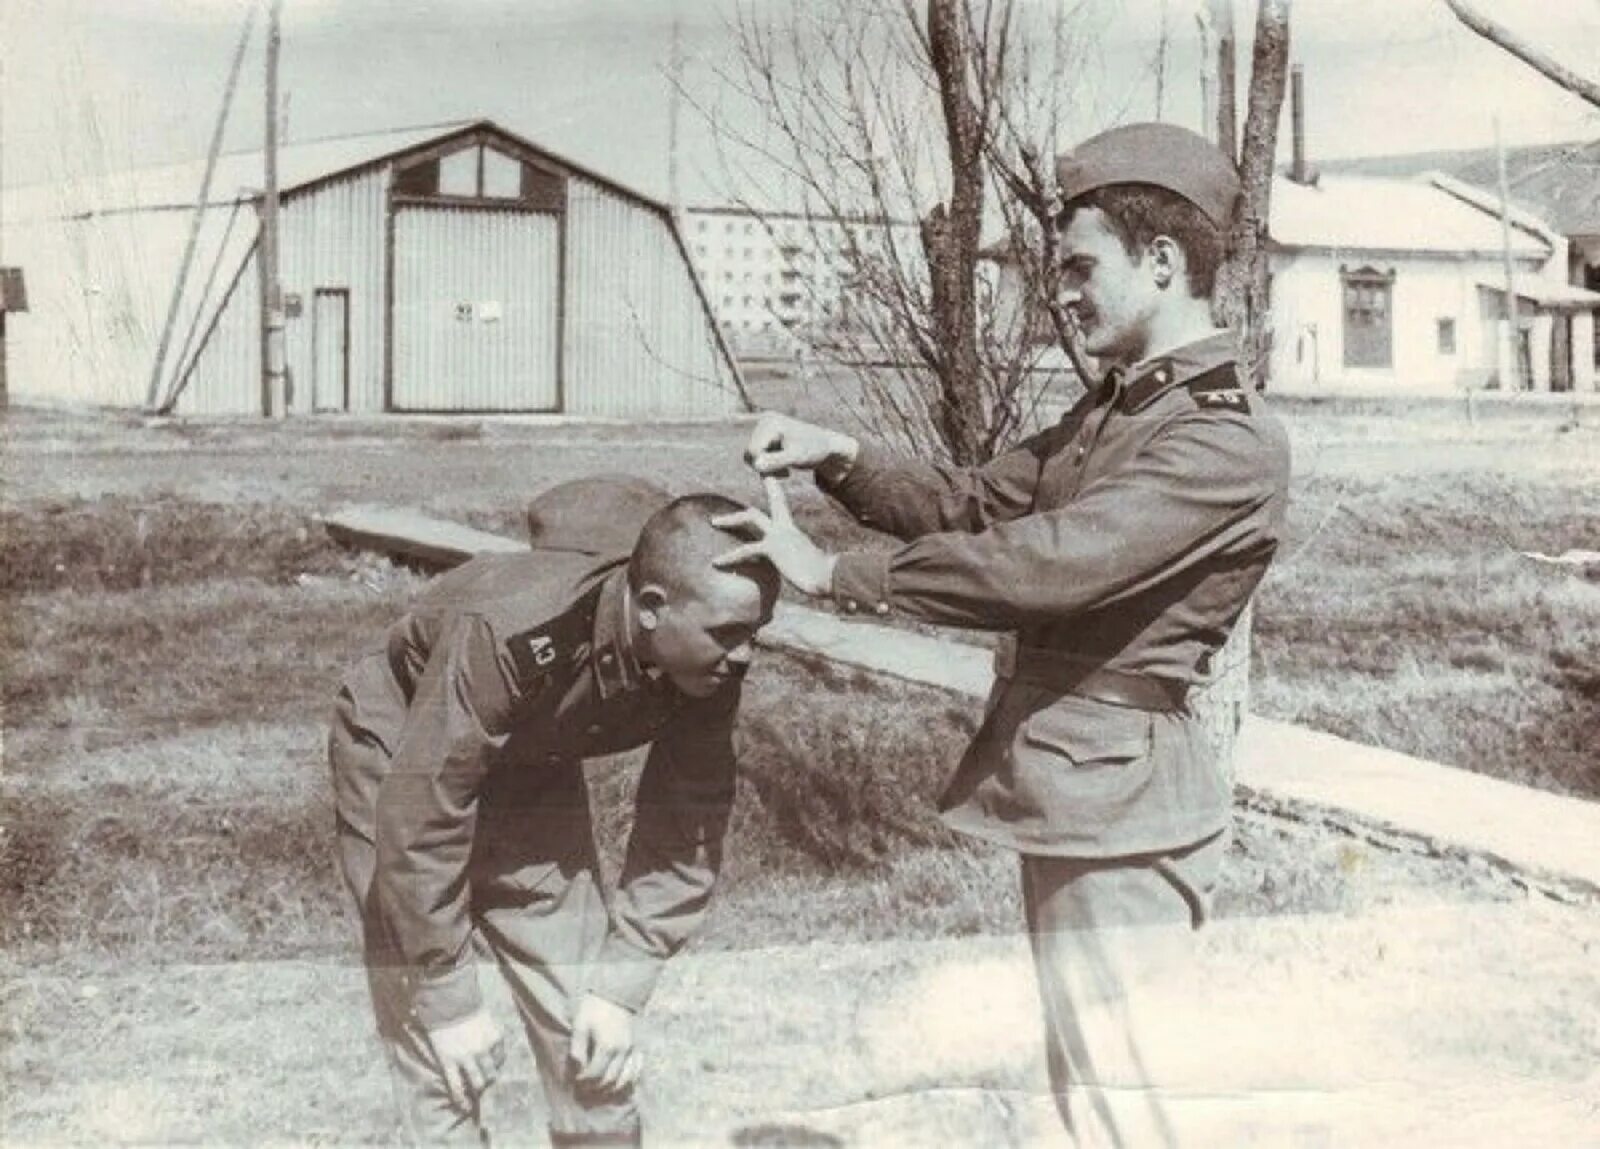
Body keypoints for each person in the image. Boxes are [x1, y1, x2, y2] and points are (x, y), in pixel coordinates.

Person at [715, 123, 1292, 1145]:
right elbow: (981, 505)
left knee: (1130, 1105)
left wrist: (833, 572)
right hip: (1080, 793)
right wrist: (837, 455)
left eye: (1080, 267)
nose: (1061, 294)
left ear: (1160, 264)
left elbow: (1051, 564)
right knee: (1091, 1094)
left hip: (1123, 804)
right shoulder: (1116, 413)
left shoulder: (1218, 434)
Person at [328, 478, 780, 1147]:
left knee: (593, 1042)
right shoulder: (510, 631)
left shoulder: (709, 665)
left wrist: (620, 986)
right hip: (406, 755)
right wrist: (448, 998)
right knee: (443, 1052)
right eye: (729, 632)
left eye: (756, 633)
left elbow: (687, 825)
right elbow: (424, 812)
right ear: (652, 606)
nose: (745, 654)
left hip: (531, 762)